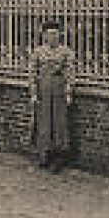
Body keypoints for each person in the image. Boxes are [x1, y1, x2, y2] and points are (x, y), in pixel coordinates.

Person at [30, 21, 75, 170]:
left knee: (59, 123)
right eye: (49, 34)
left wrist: (68, 92)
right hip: (43, 90)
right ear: (44, 36)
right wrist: (33, 93)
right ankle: (44, 154)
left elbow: (70, 74)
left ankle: (60, 156)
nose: (52, 37)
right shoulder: (38, 52)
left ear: (60, 35)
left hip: (59, 90)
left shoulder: (66, 52)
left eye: (55, 34)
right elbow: (32, 74)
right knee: (44, 123)